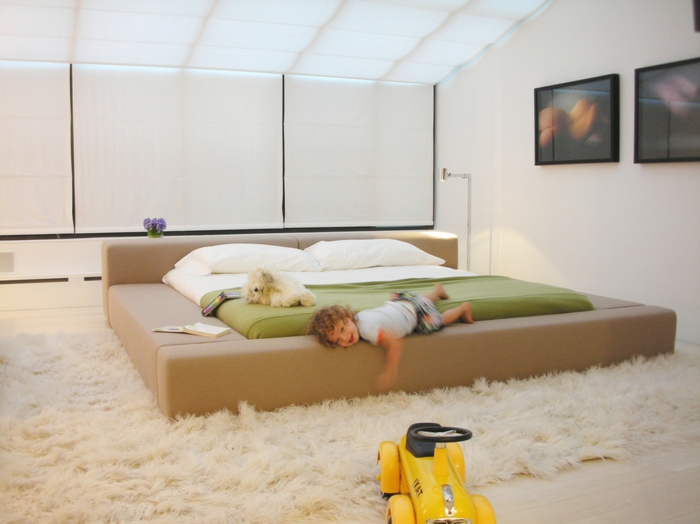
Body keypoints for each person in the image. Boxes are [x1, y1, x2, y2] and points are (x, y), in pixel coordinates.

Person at [305, 284, 474, 392]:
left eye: (343, 329)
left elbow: (396, 344)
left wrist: (389, 371)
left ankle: (462, 309)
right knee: (422, 301)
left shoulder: (367, 329)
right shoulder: (361, 317)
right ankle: (437, 291)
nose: (345, 338)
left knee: (439, 321)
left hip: (416, 316)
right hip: (402, 302)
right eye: (337, 340)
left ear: (348, 317)